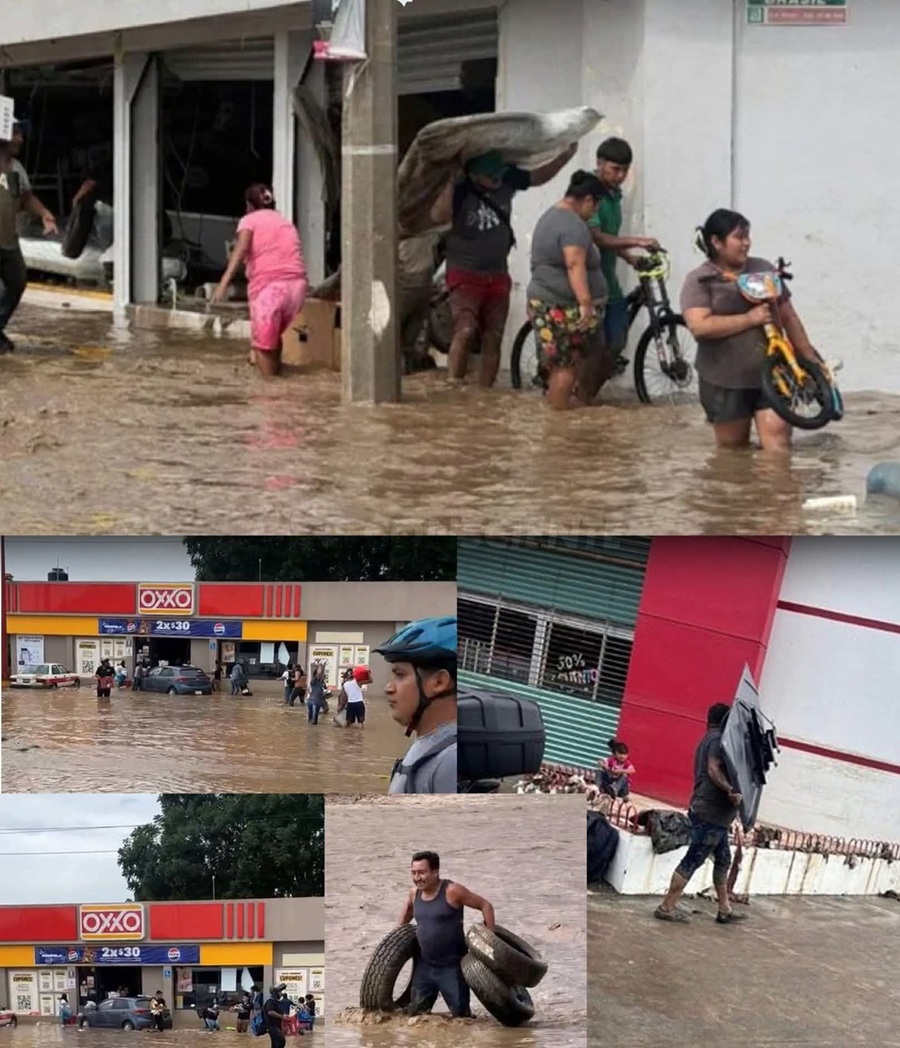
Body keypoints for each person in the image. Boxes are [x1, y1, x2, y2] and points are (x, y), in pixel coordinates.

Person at [432, 143, 578, 386]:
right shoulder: (459, 191)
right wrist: (449, 181)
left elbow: (538, 177)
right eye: (490, 177)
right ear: (475, 175)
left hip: (497, 275)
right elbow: (440, 215)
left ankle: (484, 392)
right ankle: (453, 386)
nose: (496, 181)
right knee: (465, 330)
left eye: (498, 175)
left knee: (493, 336)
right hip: (464, 274)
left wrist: (564, 156)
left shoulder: (508, 179)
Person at [682, 209, 820, 452]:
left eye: (748, 236)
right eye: (739, 237)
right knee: (732, 453)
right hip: (724, 379)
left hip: (773, 374)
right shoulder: (700, 280)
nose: (746, 243)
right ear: (716, 242)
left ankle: (779, 490)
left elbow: (788, 315)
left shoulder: (763, 269)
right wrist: (749, 319)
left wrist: (808, 355)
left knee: (778, 443)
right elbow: (699, 326)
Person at [654, 702, 747, 926]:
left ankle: (724, 908)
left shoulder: (710, 739)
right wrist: (730, 790)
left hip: (717, 817)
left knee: (723, 859)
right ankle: (666, 907)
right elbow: (713, 769)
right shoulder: (716, 740)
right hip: (710, 814)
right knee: (694, 859)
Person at [527, 170, 611, 410]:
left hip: (545, 303)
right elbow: (574, 263)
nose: (594, 212)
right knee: (566, 366)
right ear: (587, 200)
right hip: (562, 306)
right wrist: (585, 303)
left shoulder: (550, 216)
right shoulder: (572, 225)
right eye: (595, 206)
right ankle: (560, 426)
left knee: (561, 365)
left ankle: (560, 421)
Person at [212, 183, 308, 378]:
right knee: (273, 337)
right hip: (297, 289)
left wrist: (223, 283)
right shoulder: (284, 222)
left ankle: (269, 392)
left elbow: (241, 250)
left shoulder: (249, 220)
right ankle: (279, 378)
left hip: (270, 290)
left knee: (263, 347)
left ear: (249, 205)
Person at [588, 138, 660, 366]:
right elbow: (597, 237)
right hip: (586, 281)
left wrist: (628, 257)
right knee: (592, 345)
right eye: (615, 169)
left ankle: (591, 396)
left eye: (625, 170)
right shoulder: (589, 194)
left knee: (617, 341)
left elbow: (610, 238)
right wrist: (637, 242)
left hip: (608, 279)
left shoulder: (614, 196)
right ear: (599, 163)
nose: (620, 176)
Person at [398, 850, 495, 1018]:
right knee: (416, 1017)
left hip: (452, 968)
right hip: (425, 966)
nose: (417, 877)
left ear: (435, 871)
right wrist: (396, 936)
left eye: (421, 872)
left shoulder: (452, 891)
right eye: (413, 872)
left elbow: (485, 905)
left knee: (462, 1019)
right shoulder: (414, 893)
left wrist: (490, 939)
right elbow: (408, 910)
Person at [375, 616, 457, 794]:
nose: (388, 688)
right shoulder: (430, 745)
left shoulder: (449, 762)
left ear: (439, 682)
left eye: (400, 674)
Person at [0, 117, 58, 354]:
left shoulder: (16, 168)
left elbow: (25, 198)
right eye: (15, 134)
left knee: (17, 282)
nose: (20, 139)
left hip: (8, 240)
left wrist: (44, 213)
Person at [263, 983, 287, 1048]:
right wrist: (282, 1017)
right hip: (272, 1026)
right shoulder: (270, 1000)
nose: (281, 994)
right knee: (280, 1041)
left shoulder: (275, 1001)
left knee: (277, 1043)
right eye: (280, 992)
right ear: (275, 992)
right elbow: (270, 1012)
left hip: (275, 1025)